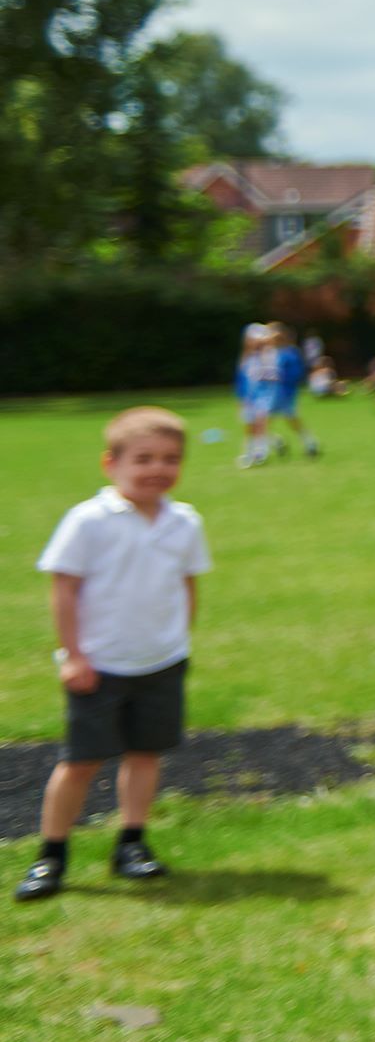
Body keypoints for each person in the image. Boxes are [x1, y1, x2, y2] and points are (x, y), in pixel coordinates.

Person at [21, 408, 210, 902]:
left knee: (145, 755)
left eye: (170, 459)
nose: (157, 469)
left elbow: (187, 585)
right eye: (143, 459)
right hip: (99, 665)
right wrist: (73, 656)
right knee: (81, 761)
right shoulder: (89, 521)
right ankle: (51, 855)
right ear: (112, 463)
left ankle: (132, 843)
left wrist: (178, 639)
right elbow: (64, 589)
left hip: (161, 662)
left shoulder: (184, 522)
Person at [266, 325, 320, 462]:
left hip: (283, 392)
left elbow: (295, 374)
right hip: (273, 392)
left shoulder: (289, 353)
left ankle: (309, 443)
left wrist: (283, 382)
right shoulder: (272, 353)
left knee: (289, 419)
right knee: (265, 421)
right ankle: (279, 442)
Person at [232, 325, 274, 469]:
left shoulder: (268, 355)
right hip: (248, 397)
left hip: (262, 395)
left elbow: (272, 376)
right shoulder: (246, 358)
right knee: (249, 426)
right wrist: (240, 398)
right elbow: (241, 379)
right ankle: (249, 452)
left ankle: (261, 452)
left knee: (260, 422)